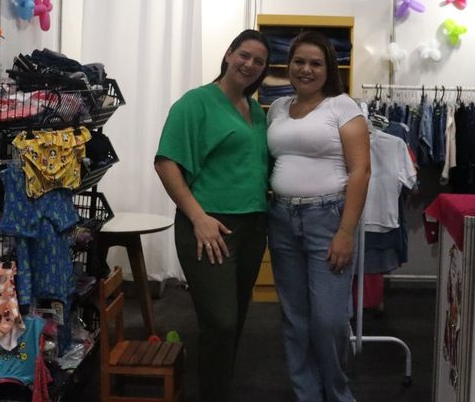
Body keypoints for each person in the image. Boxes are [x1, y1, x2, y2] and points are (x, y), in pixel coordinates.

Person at [154, 29, 271, 402]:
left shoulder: (255, 110)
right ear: (229, 54)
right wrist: (199, 218)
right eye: (244, 55)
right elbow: (166, 163)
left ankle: (217, 389)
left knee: (234, 322)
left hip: (252, 226)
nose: (249, 64)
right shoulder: (196, 103)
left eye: (259, 61)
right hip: (209, 226)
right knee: (220, 321)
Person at [266, 30, 370, 402]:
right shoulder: (278, 108)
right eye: (299, 61)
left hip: (327, 219)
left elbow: (361, 171)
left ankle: (338, 394)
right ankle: (307, 395)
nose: (306, 70)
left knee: (329, 319)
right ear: (288, 64)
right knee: (295, 319)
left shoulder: (343, 106)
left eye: (315, 63)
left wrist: (346, 232)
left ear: (329, 69)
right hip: (281, 219)